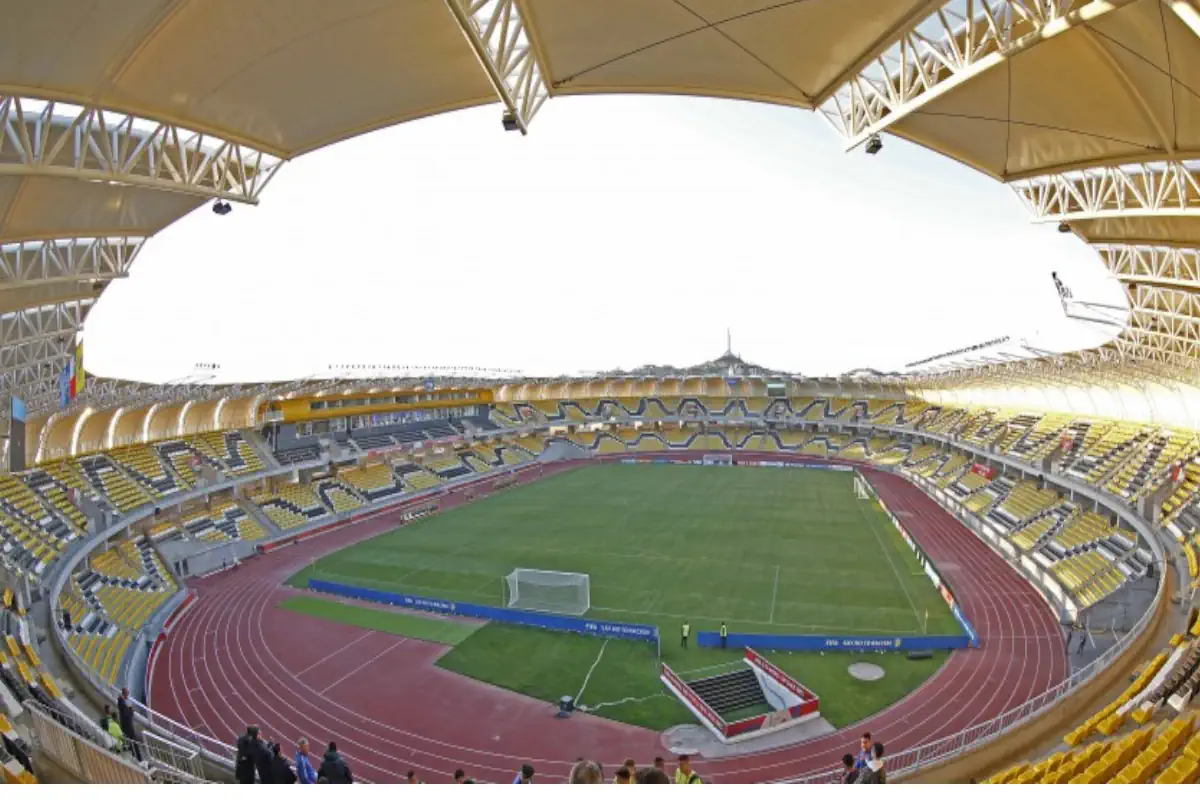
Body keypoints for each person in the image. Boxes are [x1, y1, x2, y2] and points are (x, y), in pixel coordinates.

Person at [117, 688, 141, 761]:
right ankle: (138, 758)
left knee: (132, 742)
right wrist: (131, 711)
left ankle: (135, 756)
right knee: (134, 742)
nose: (128, 695)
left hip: (126, 725)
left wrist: (130, 709)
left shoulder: (121, 701)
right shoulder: (122, 703)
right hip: (127, 726)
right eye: (128, 693)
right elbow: (127, 714)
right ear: (124, 693)